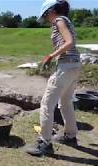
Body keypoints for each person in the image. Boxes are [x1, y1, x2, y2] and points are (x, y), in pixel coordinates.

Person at [26, 0, 82, 156]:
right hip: (74, 65)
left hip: (66, 66)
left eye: (45, 16)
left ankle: (45, 143)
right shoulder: (66, 20)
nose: (46, 20)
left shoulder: (59, 20)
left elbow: (69, 42)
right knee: (65, 102)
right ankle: (70, 136)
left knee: (46, 104)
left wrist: (51, 55)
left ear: (51, 11)